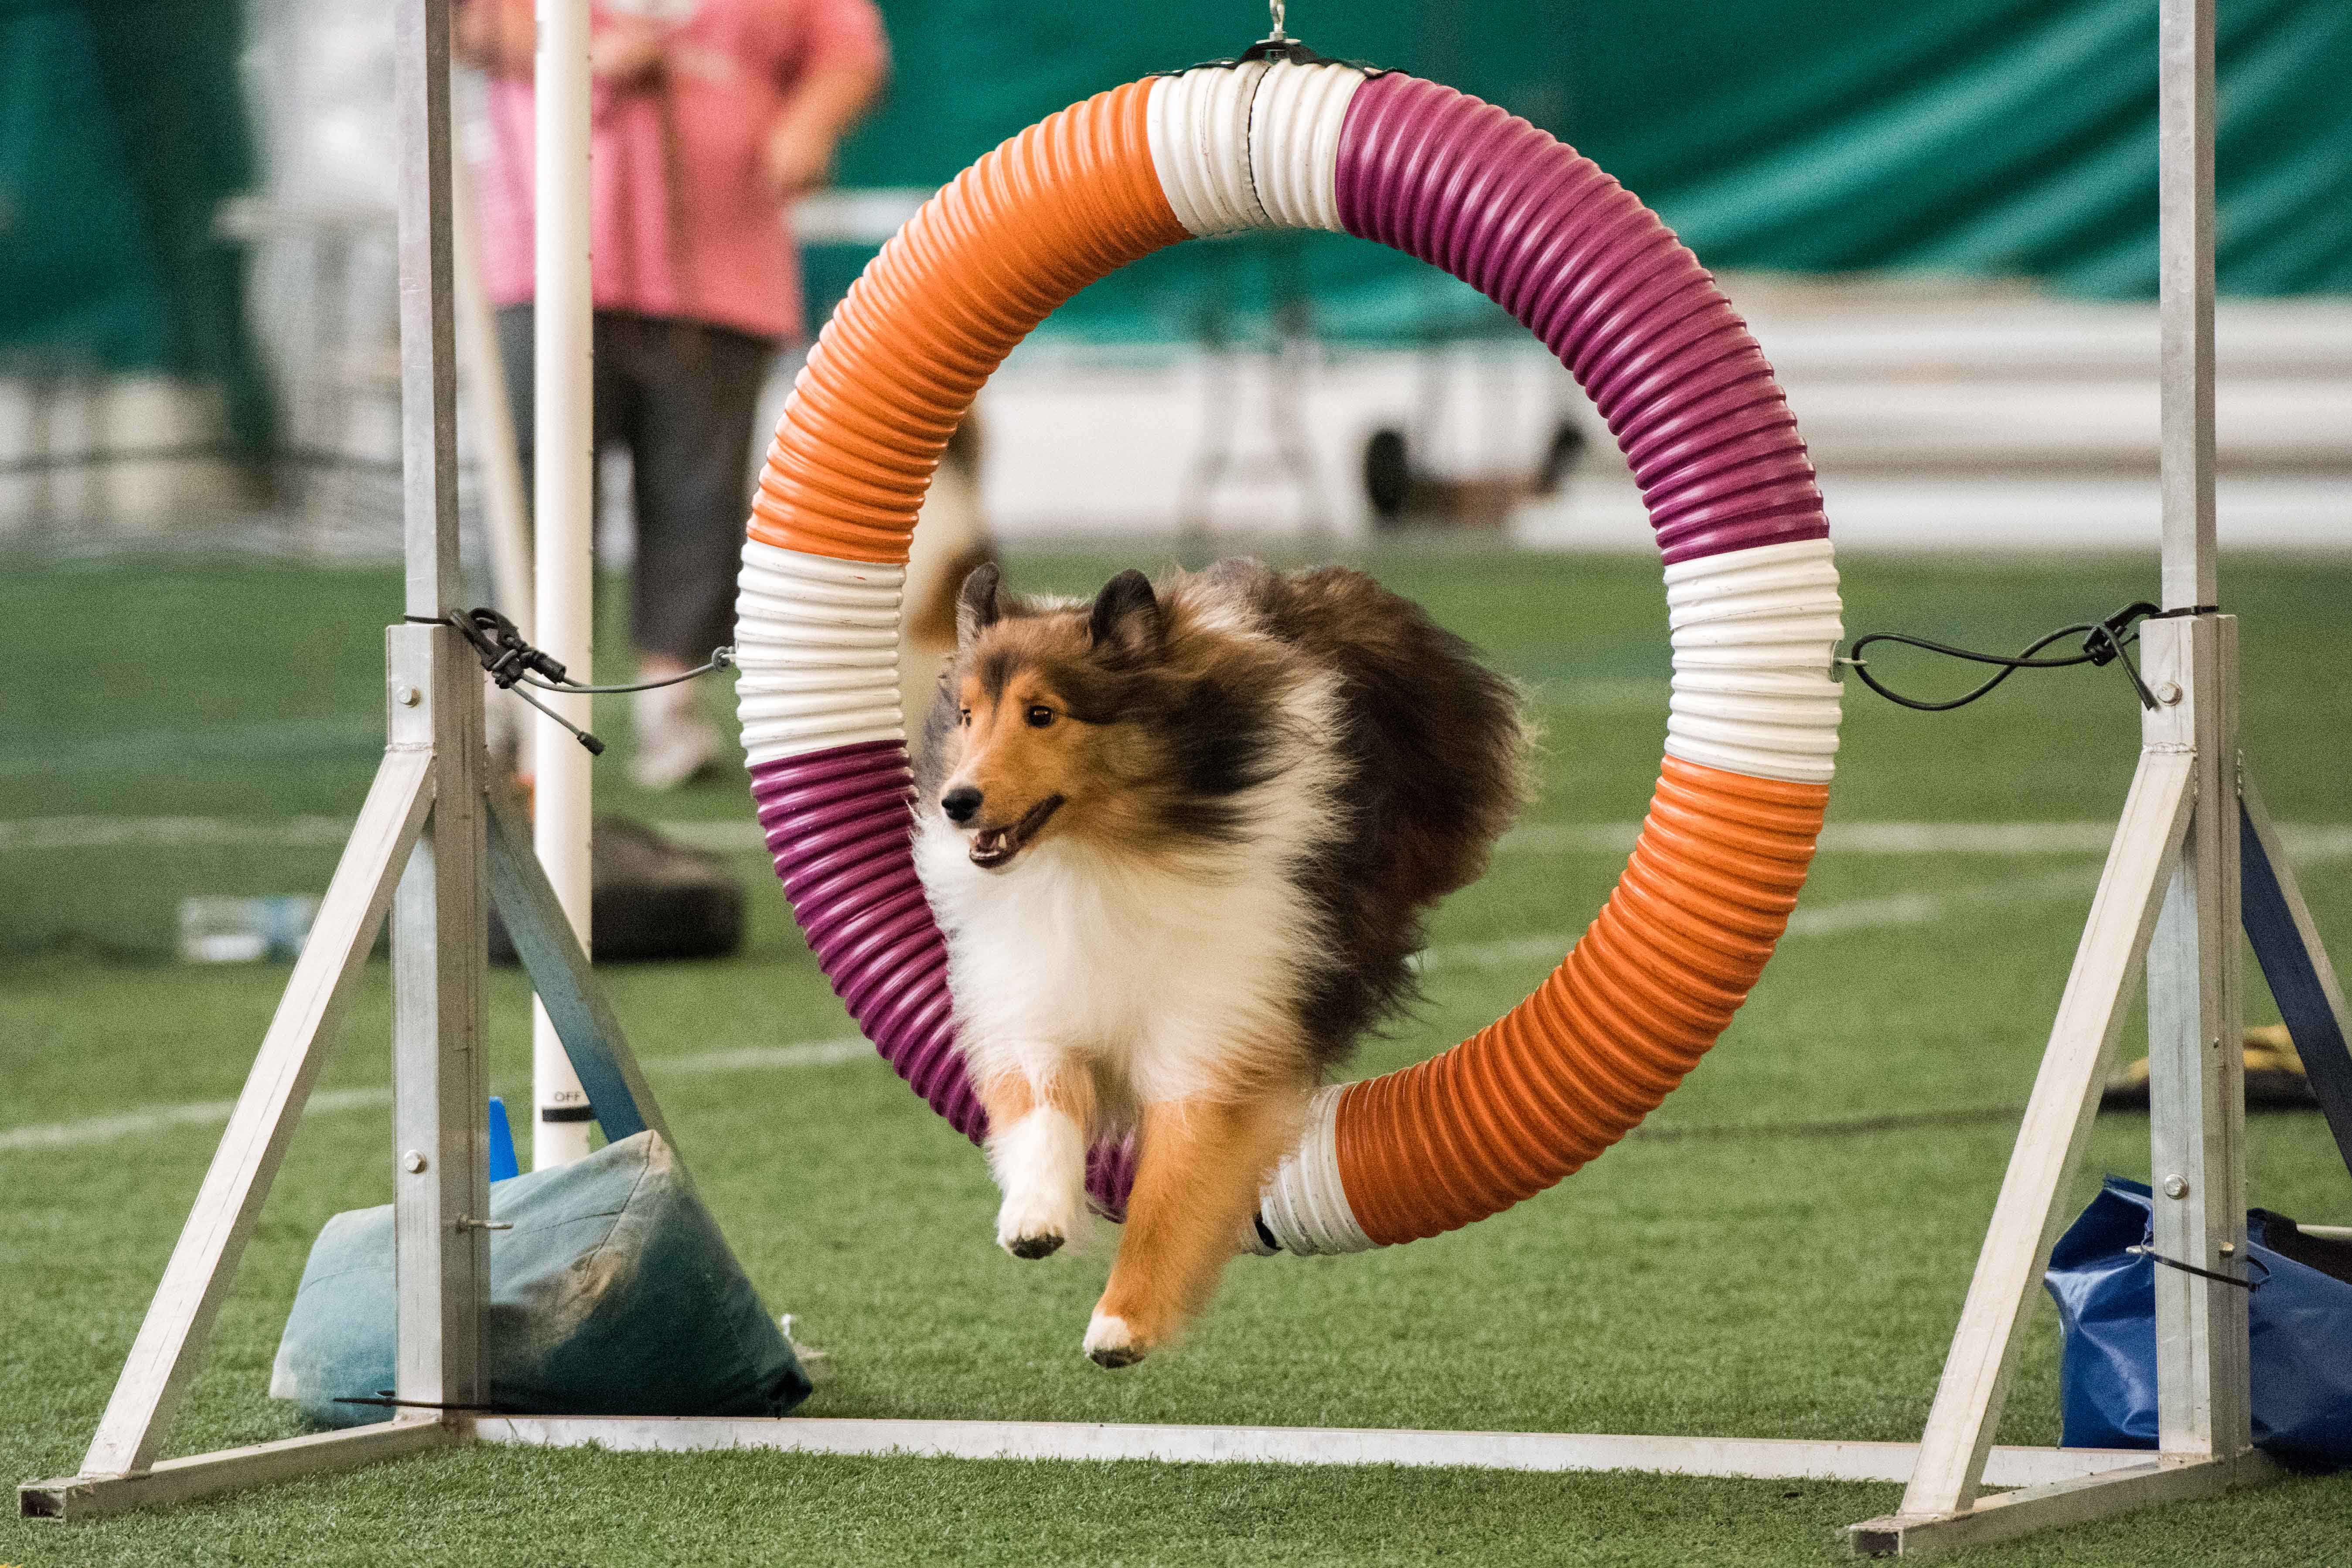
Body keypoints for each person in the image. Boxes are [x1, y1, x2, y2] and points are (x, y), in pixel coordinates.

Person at [455, 0, 887, 787]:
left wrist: (809, 123)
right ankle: (522, 705)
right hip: (545, 258)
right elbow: (465, 27)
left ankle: (670, 705)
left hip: (723, 264)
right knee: (532, 493)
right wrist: (584, 57)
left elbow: (848, 52)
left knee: (702, 493)